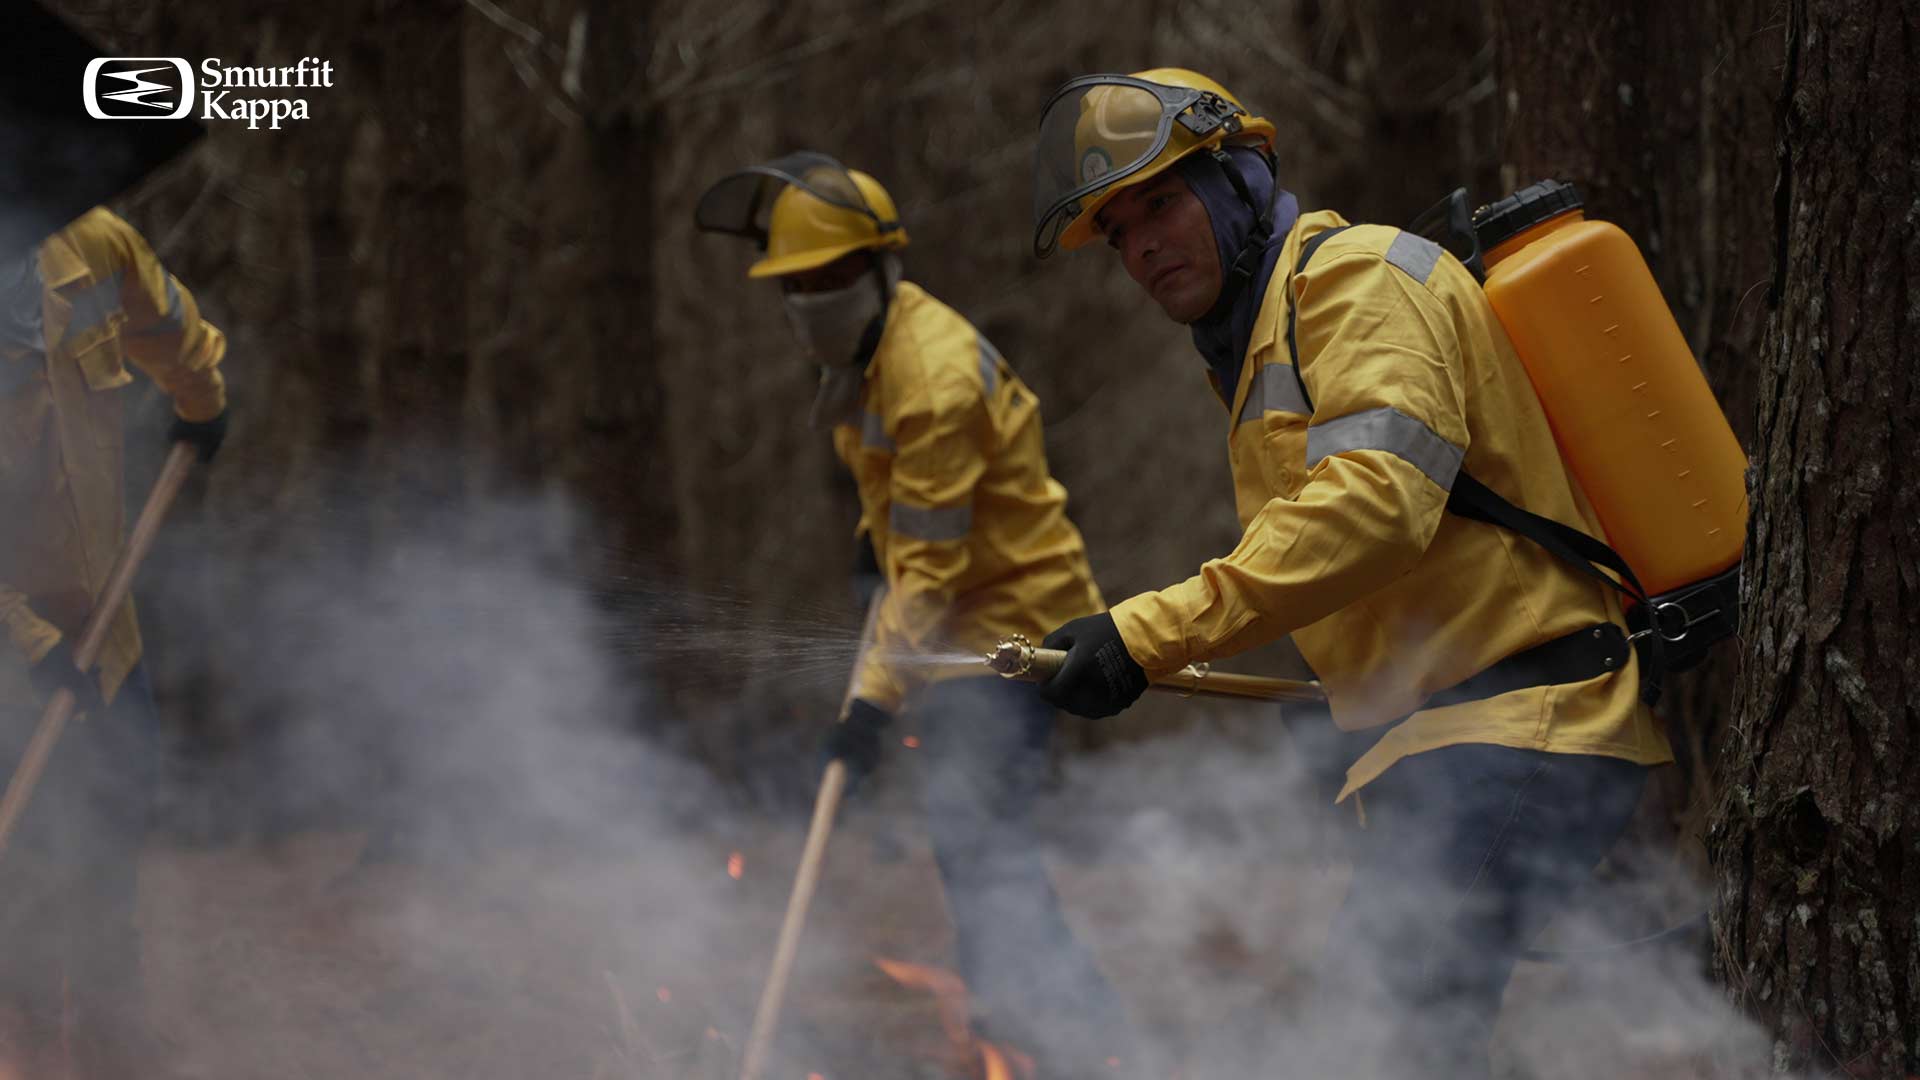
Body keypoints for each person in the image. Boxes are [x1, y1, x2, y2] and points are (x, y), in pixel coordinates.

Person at [1029, 69, 1672, 1077]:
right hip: (1458, 745)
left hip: (1522, 731)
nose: (1142, 244)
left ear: (1241, 175)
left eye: (1159, 201)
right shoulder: (1255, 348)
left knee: (1382, 1048)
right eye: (1116, 233)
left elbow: (1377, 508)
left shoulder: (1357, 278)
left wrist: (1147, 633)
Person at [696, 154, 1142, 1077]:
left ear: (877, 269)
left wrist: (868, 710)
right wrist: (872, 542)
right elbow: (896, 510)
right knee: (974, 848)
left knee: (985, 849)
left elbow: (930, 575)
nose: (809, 300)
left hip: (1020, 633)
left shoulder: (931, 378)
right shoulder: (866, 358)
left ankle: (1089, 1045)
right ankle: (1019, 1023)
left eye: (827, 280)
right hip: (960, 632)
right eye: (795, 286)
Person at [0, 206, 228, 1077]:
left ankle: (107, 1042)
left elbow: (164, 318)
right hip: (9, 647)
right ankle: (22, 1047)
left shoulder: (92, 244)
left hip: (105, 617)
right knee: (23, 863)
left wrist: (201, 399)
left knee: (118, 812)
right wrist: (28, 644)